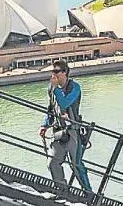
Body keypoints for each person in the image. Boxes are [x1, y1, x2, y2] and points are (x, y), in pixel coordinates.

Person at [39, 60, 92, 193]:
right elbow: (52, 108)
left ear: (64, 73)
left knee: (76, 164)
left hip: (72, 130)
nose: (53, 74)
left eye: (56, 72)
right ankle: (62, 190)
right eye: (53, 72)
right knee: (52, 163)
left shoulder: (74, 87)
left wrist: (56, 89)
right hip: (58, 131)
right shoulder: (51, 87)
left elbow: (64, 104)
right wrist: (45, 125)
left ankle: (88, 193)